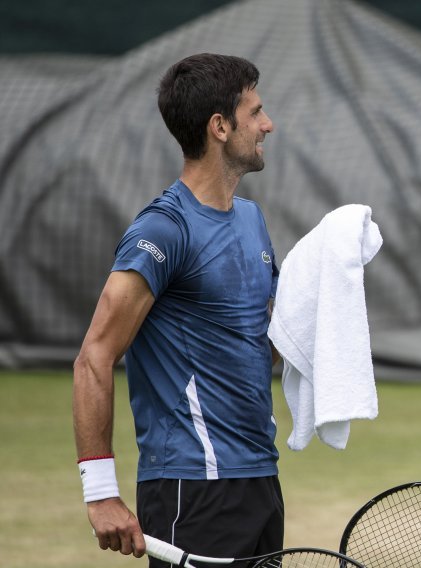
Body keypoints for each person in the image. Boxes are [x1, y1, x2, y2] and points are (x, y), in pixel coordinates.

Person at [73, 53, 282, 566]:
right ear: (219, 127)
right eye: (255, 112)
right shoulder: (162, 230)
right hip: (191, 489)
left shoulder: (252, 219)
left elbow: (261, 343)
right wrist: (100, 491)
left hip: (260, 480)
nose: (267, 124)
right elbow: (94, 357)